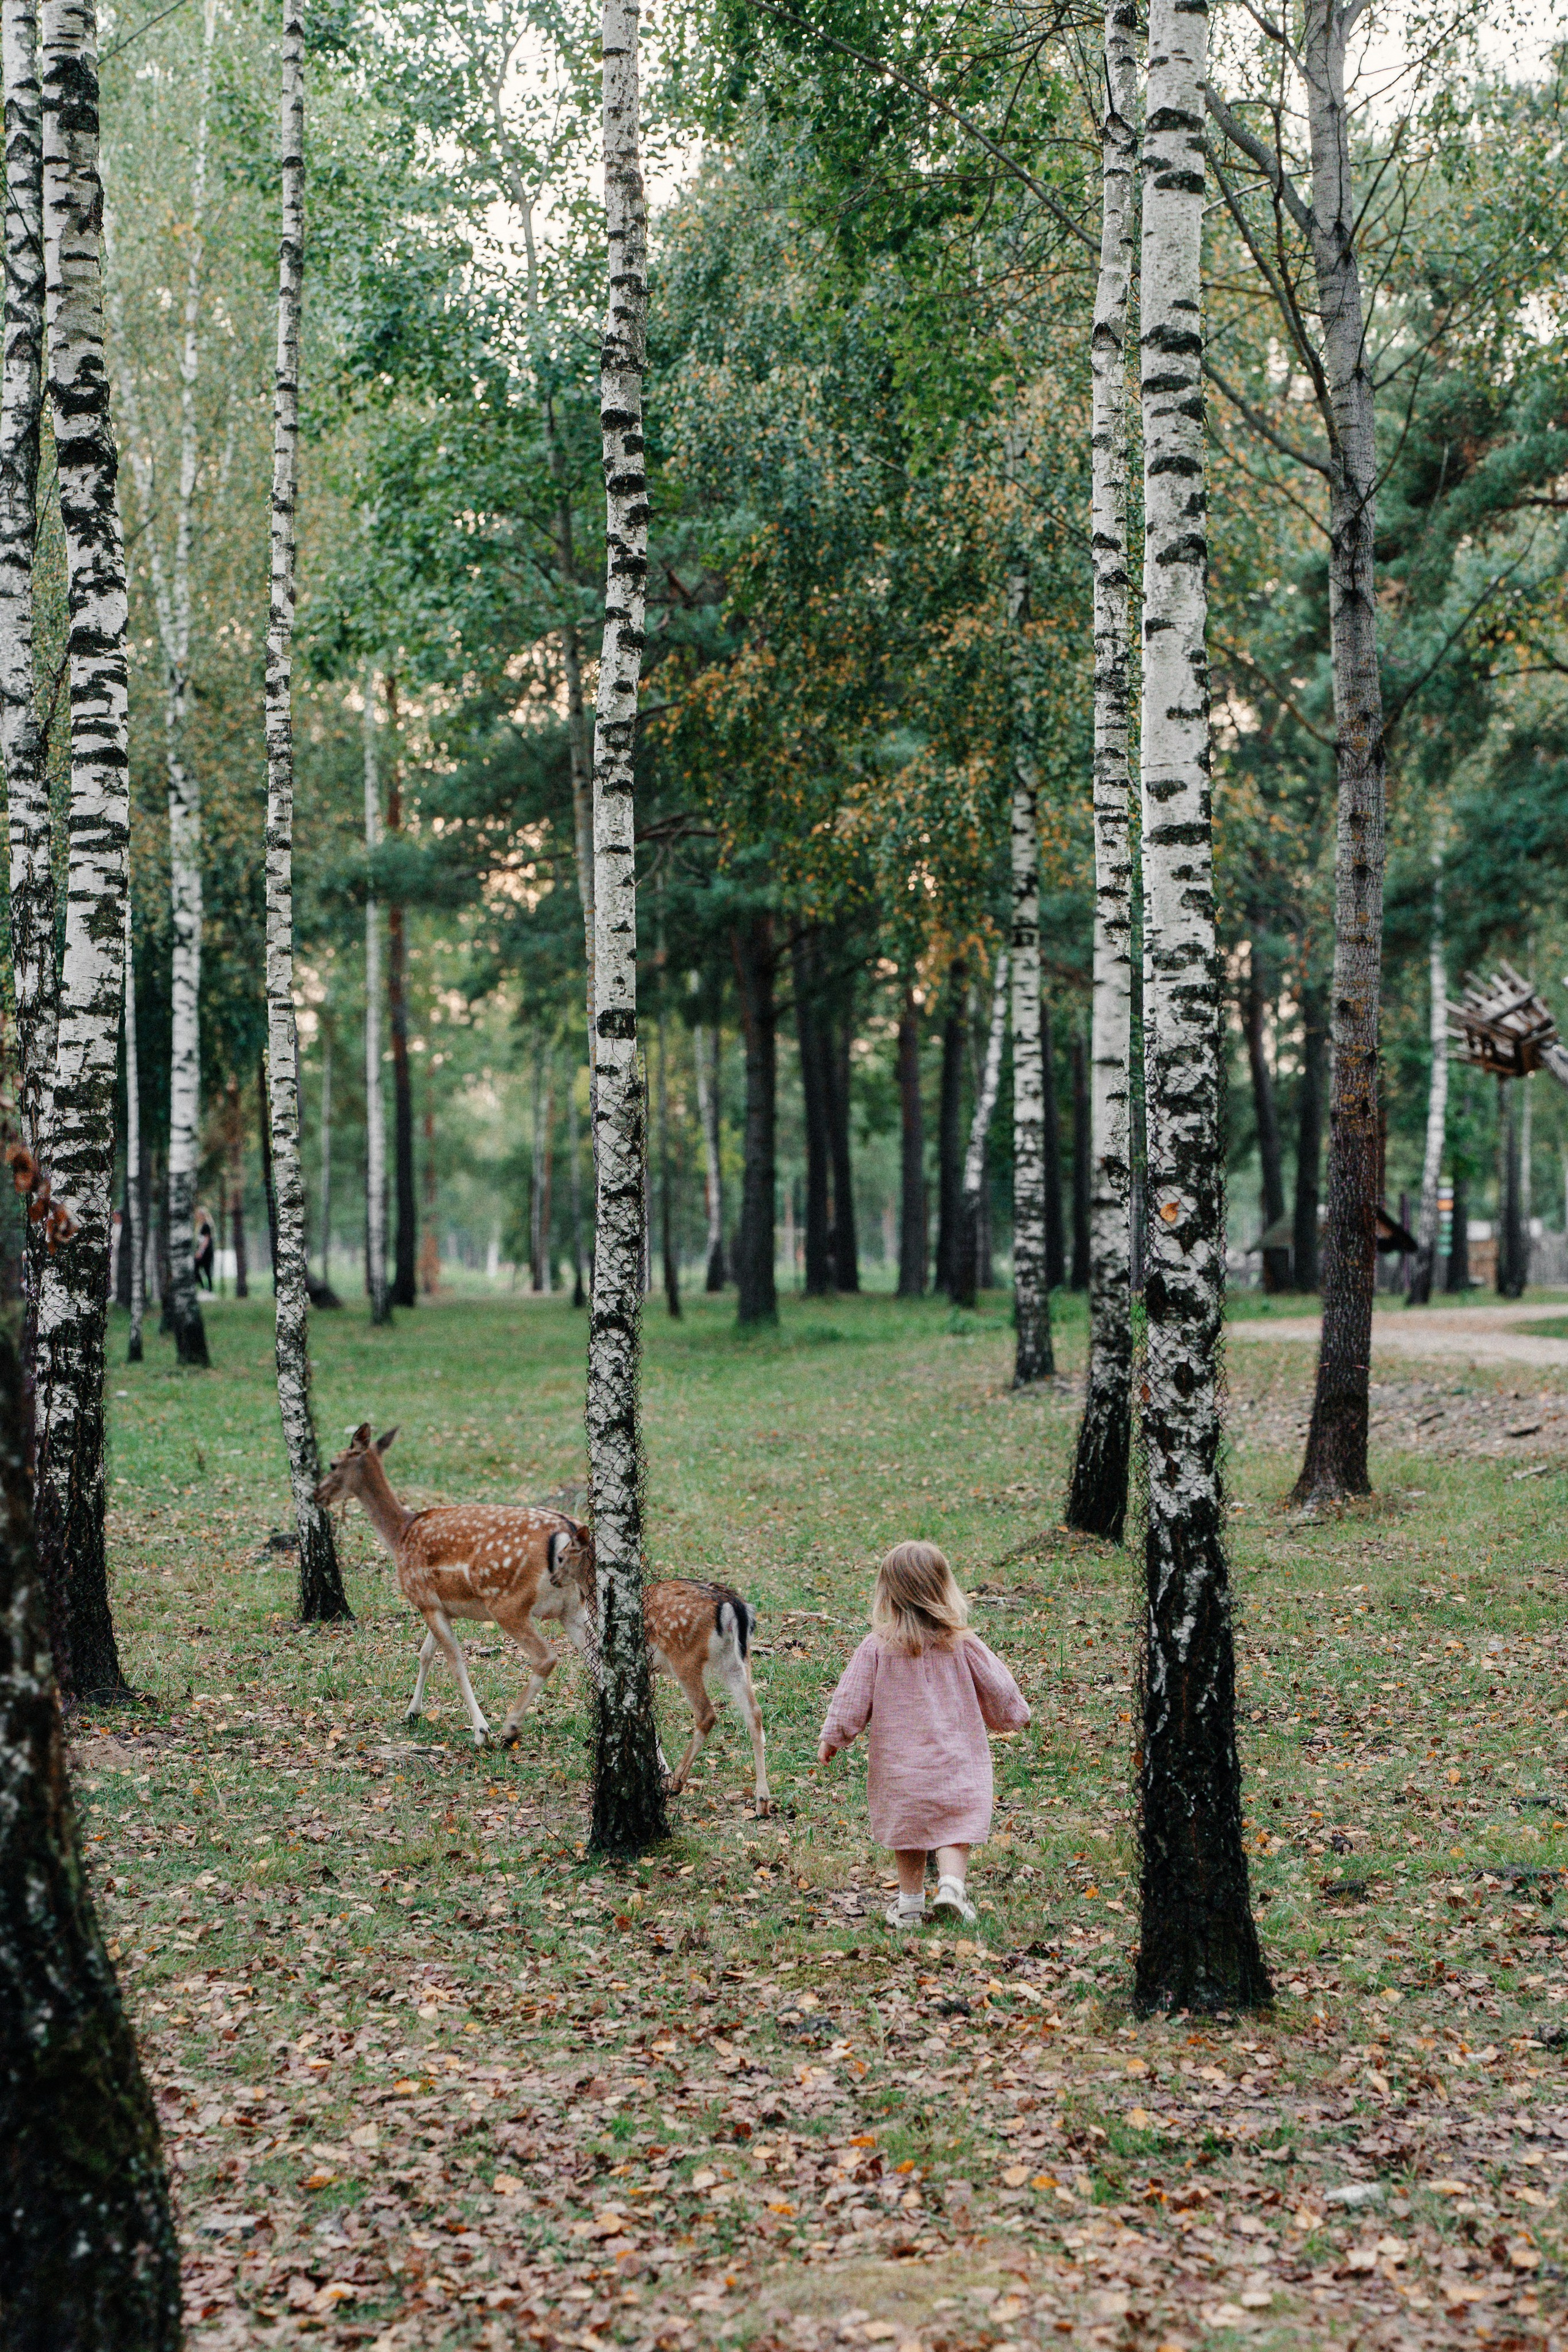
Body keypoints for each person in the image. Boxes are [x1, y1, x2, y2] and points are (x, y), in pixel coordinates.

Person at [817, 1540, 1030, 1929]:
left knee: (908, 1829)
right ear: (943, 1588)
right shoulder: (962, 1642)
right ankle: (951, 1885)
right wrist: (1016, 1716)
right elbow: (999, 1687)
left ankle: (911, 1904)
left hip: (900, 1765)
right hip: (956, 1757)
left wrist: (834, 1737)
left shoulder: (878, 1646)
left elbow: (851, 1698)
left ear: (888, 1592)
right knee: (956, 1822)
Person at [194, 1212, 216, 1293]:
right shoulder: (201, 1226)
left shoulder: (206, 1226)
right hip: (204, 1251)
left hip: (206, 1252)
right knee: (202, 1270)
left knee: (205, 1269)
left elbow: (206, 1240)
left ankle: (208, 1289)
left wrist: (200, 1252)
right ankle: (205, 1288)